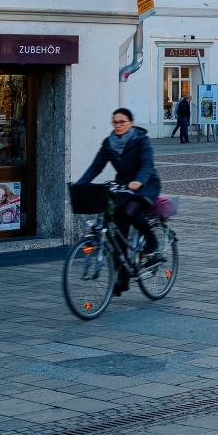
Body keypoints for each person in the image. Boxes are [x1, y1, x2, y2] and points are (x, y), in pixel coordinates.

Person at [75, 107, 162, 294]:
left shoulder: (141, 140)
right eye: (115, 122)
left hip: (146, 184)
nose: (118, 125)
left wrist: (139, 181)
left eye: (122, 122)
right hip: (123, 186)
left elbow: (147, 164)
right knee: (116, 231)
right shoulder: (109, 144)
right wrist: (80, 184)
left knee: (131, 211)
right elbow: (96, 167)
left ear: (130, 123)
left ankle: (151, 241)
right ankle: (122, 281)